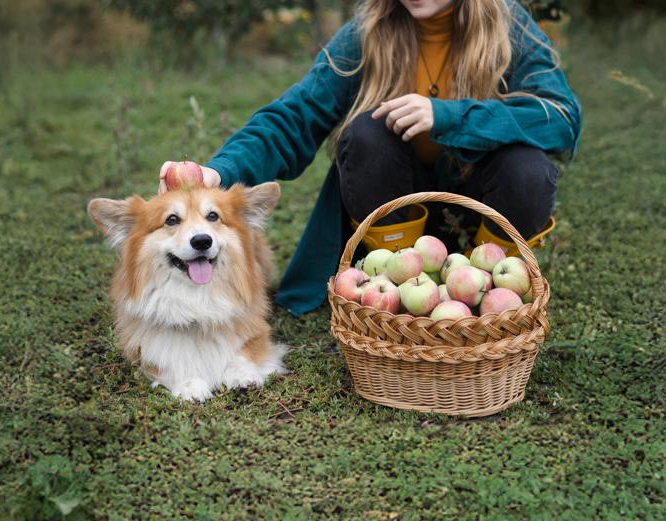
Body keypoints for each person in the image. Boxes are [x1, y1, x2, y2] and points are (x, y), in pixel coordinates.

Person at [159, 0, 581, 315]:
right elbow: (294, 116)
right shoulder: (370, 29)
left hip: (479, 223)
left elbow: (562, 117)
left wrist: (449, 116)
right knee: (366, 134)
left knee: (528, 168)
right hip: (395, 226)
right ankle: (392, 289)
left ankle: (488, 295)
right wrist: (218, 172)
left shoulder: (507, 24)